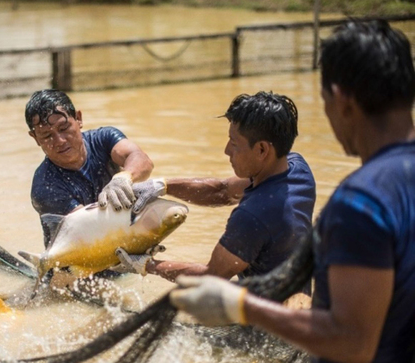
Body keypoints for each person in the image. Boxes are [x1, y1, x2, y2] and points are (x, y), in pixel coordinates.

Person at [170, 20, 415, 363]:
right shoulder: (305, 173)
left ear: (342, 101)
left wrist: (242, 304)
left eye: (325, 100)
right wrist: (162, 184)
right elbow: (224, 188)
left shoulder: (361, 203)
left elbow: (351, 342)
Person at [112, 91, 316, 296]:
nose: (227, 150)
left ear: (262, 150)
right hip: (297, 291)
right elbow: (223, 190)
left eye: (234, 143)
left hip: (265, 318)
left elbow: (210, 277)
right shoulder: (297, 168)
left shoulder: (252, 216)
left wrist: (147, 265)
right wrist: (162, 185)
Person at [25, 89, 154, 247]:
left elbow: (142, 160)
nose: (59, 141)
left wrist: (124, 177)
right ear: (35, 138)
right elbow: (89, 230)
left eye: (64, 128)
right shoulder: (45, 187)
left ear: (78, 119)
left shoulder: (104, 139)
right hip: (75, 265)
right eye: (46, 136)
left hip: (120, 244)